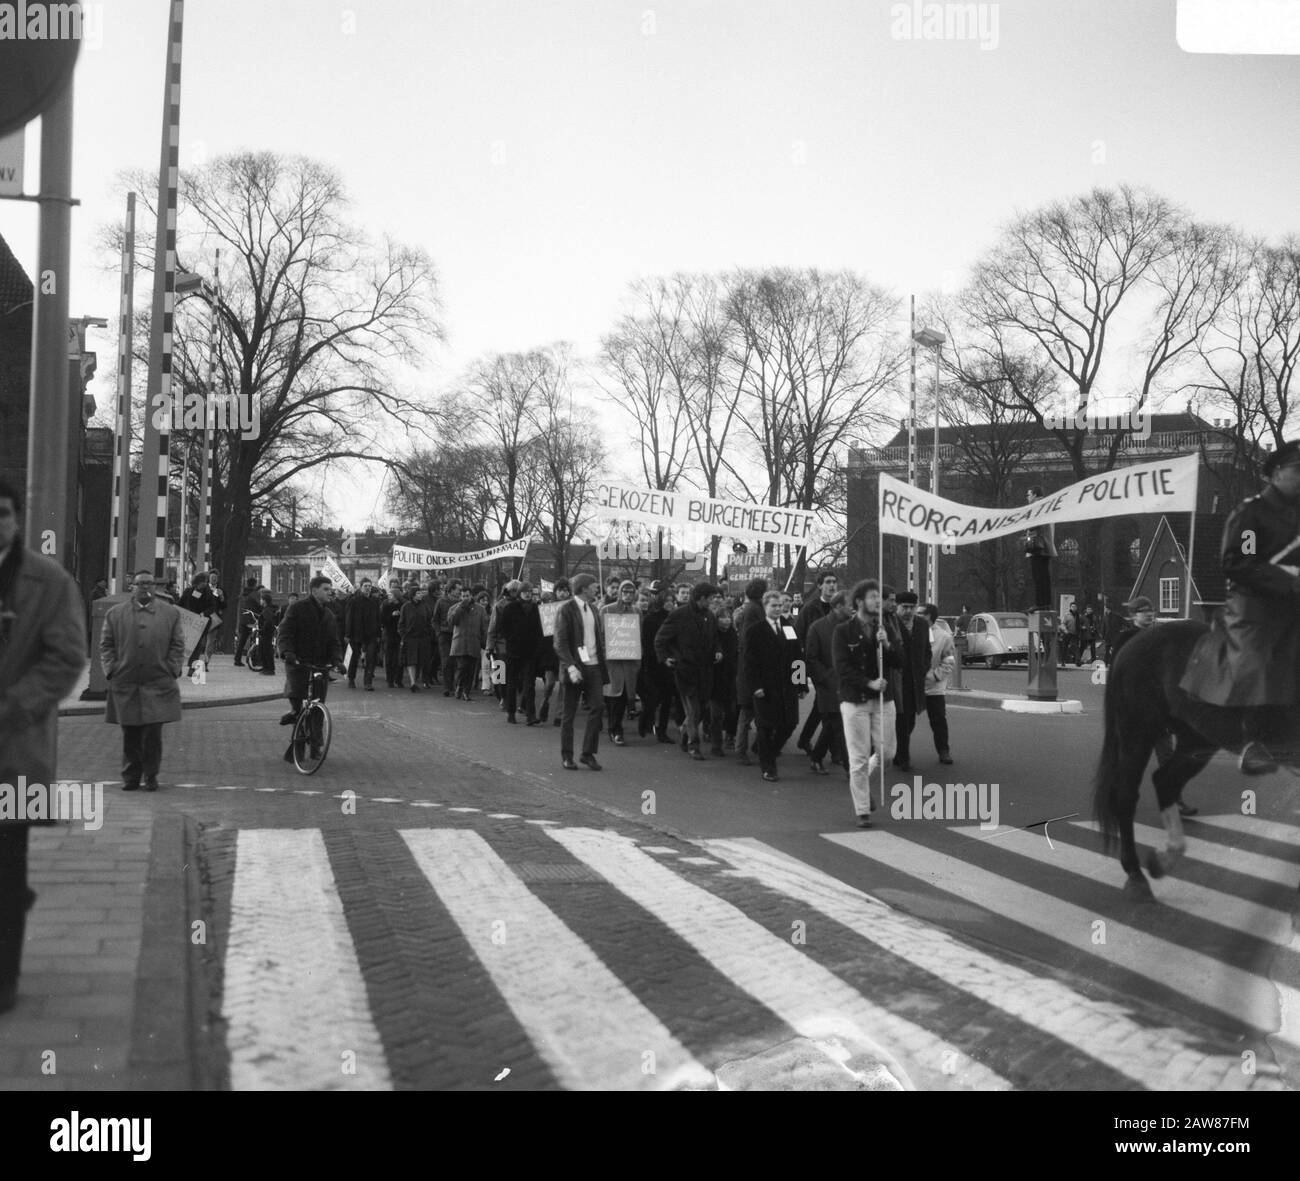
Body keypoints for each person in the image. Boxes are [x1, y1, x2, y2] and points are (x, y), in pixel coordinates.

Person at [0, 478, 88, 1015]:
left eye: (3, 513)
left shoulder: (47, 581)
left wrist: (13, 706)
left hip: (12, 750)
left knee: (7, 864)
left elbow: (66, 657)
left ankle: (3, 976)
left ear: (15, 520)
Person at [1181, 440, 1300, 774]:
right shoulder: (1252, 513)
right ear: (1277, 473)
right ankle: (1254, 742)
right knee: (1257, 656)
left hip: (1293, 600)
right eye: (1298, 471)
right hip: (1255, 602)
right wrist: (1288, 577)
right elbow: (1241, 562)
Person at [100, 569, 186, 792]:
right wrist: (112, 669)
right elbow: (106, 645)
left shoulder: (170, 614)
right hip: (126, 682)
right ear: (133, 587)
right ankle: (131, 776)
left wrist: (172, 668)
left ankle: (151, 775)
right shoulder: (116, 614)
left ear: (154, 587)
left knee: (152, 735)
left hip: (158, 683)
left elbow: (178, 645)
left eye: (149, 583)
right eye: (141, 583)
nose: (145, 587)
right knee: (130, 733)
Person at [834, 579, 904, 828]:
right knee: (859, 758)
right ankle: (862, 809)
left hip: (884, 700)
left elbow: (899, 661)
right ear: (859, 601)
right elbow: (842, 668)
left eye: (879, 597)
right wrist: (868, 683)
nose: (878, 601)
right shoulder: (843, 631)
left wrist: (887, 644)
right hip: (855, 701)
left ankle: (863, 786)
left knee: (887, 753)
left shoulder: (884, 628)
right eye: (873, 597)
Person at [740, 589, 806, 782]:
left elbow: (798, 657)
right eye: (773, 606)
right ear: (765, 606)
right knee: (766, 727)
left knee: (790, 724)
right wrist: (755, 686)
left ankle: (766, 750)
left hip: (787, 687)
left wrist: (801, 684)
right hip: (765, 687)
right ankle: (768, 766)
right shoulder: (755, 630)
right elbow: (749, 662)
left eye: (780, 605)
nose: (778, 609)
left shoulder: (789, 627)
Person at [277, 575, 344, 762]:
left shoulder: (329, 615)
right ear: (314, 591)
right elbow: (285, 632)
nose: (330, 591)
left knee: (317, 708)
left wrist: (337, 660)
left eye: (330, 588)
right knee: (298, 701)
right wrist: (287, 652)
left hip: (319, 665)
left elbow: (334, 642)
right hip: (299, 663)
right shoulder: (297, 608)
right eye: (325, 588)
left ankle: (316, 747)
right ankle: (297, 743)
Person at [654, 582, 724, 760]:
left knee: (701, 709)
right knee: (693, 710)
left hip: (706, 671)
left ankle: (685, 735)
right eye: (710, 598)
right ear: (701, 598)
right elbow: (660, 638)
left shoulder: (710, 616)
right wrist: (665, 657)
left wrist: (718, 650)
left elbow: (715, 638)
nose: (712, 601)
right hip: (686, 671)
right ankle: (694, 745)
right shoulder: (679, 614)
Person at [553, 573, 609, 770]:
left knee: (598, 707)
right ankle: (567, 755)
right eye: (594, 586)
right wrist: (570, 666)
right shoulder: (566, 609)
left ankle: (587, 753)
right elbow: (560, 642)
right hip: (575, 667)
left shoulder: (593, 609)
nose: (596, 589)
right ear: (584, 588)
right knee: (568, 713)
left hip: (593, 665)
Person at [804, 591, 851, 775]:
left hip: (848, 685)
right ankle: (851, 770)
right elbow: (811, 658)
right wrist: (825, 678)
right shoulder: (818, 627)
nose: (853, 608)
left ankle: (816, 758)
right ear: (838, 606)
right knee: (840, 728)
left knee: (831, 726)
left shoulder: (852, 627)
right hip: (828, 686)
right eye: (850, 605)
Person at [794, 571, 838, 759]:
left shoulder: (839, 607)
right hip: (816, 663)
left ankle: (805, 739)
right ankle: (835, 751)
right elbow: (798, 636)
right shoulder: (810, 608)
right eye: (828, 582)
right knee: (830, 708)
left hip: (834, 663)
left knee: (821, 707)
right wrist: (800, 671)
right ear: (820, 585)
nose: (832, 585)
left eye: (834, 582)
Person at [891, 590, 931, 774]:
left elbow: (927, 650)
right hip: (898, 680)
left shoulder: (922, 624)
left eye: (911, 607)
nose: (908, 611)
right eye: (904, 607)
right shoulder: (891, 624)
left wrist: (924, 668)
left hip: (916, 680)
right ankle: (903, 758)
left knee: (911, 720)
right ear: (897, 607)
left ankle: (898, 751)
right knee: (902, 719)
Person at [732, 578, 769, 767]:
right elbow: (751, 639)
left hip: (748, 667)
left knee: (748, 714)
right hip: (750, 669)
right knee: (747, 714)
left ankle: (746, 748)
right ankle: (741, 750)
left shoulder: (751, 609)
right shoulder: (755, 611)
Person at [600, 580, 641, 745]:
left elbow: (639, 635)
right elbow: (601, 635)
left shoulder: (637, 611)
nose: (628, 595)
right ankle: (614, 729)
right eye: (625, 592)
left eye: (631, 592)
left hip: (630, 659)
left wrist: (638, 656)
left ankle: (616, 728)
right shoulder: (606, 610)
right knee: (613, 695)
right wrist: (606, 653)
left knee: (625, 696)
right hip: (612, 660)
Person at [497, 580, 543, 724]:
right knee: (512, 683)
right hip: (514, 651)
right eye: (525, 592)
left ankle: (531, 714)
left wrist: (538, 647)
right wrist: (512, 639)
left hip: (530, 652)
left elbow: (540, 630)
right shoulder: (510, 608)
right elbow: (502, 627)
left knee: (529, 684)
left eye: (530, 592)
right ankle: (511, 712)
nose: (527, 594)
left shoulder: (537, 609)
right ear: (519, 593)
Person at [918, 604, 955, 765]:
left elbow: (949, 661)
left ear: (930, 617)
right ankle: (901, 754)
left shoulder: (943, 637)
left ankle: (943, 751)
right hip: (913, 686)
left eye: (921, 614)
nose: (917, 616)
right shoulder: (909, 632)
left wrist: (935, 676)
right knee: (905, 722)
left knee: (938, 720)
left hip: (934, 687)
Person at [638, 581, 675, 742]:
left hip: (669, 663)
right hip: (652, 663)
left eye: (672, 601)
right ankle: (645, 719)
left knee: (667, 698)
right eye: (667, 601)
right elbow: (647, 644)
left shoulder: (674, 618)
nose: (670, 604)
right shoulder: (650, 619)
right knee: (653, 697)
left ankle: (662, 731)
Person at [447, 583, 489, 700]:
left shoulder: (480, 609)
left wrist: (484, 642)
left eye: (467, 596)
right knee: (462, 667)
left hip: (474, 643)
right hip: (460, 643)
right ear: (460, 597)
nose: (465, 598)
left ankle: (466, 691)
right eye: (463, 596)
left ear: (471, 596)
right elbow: (452, 622)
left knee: (471, 669)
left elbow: (484, 627)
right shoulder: (454, 608)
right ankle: (459, 686)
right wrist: (461, 608)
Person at [709, 604, 739, 756]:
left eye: (728, 617)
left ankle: (730, 736)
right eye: (722, 617)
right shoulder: (712, 635)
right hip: (715, 679)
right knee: (716, 715)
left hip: (730, 678)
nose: (726, 620)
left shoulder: (733, 634)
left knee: (732, 712)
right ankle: (716, 745)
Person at [344, 578, 382, 691]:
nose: (368, 588)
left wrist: (378, 634)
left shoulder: (375, 601)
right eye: (365, 586)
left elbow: (378, 618)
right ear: (361, 587)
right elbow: (349, 618)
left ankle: (368, 682)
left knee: (370, 658)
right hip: (356, 633)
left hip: (371, 634)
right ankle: (351, 678)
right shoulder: (354, 601)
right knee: (354, 658)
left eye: (369, 586)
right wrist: (347, 634)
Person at [1024, 486, 1057, 610]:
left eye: (1028, 495)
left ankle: (1039, 603)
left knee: (1038, 576)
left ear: (1034, 495)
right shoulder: (1047, 504)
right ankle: (1046, 602)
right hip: (1047, 546)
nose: (1027, 497)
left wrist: (1026, 524)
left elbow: (1034, 525)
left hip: (1038, 547)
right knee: (1045, 576)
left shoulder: (1036, 506)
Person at [178, 571, 218, 672]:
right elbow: (180, 604)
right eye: (203, 581)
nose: (205, 583)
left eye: (205, 581)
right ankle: (178, 667)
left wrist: (204, 613)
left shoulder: (208, 592)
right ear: (197, 582)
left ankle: (192, 667)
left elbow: (212, 606)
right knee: (183, 645)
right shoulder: (188, 591)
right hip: (188, 622)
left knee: (197, 645)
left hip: (200, 623)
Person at [399, 586, 433, 693]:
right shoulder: (406, 607)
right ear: (413, 594)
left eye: (421, 593)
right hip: (411, 638)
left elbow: (429, 621)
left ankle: (425, 680)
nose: (421, 595)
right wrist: (403, 635)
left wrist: (429, 633)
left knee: (423, 660)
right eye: (418, 593)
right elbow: (401, 623)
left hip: (423, 637)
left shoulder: (425, 606)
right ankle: (413, 682)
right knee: (411, 661)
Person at [381, 583, 405, 688]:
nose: (388, 597)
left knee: (399, 659)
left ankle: (399, 680)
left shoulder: (403, 606)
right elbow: (382, 620)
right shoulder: (385, 605)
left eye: (391, 595)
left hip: (399, 635)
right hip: (389, 634)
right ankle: (390, 680)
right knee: (390, 658)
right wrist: (391, 616)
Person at [233, 576, 260, 665]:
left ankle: (237, 659)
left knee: (242, 640)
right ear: (255, 584)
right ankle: (254, 659)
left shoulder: (243, 594)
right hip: (251, 619)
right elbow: (257, 606)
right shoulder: (254, 594)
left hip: (243, 619)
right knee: (255, 639)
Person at [205, 567, 227, 660]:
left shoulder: (221, 590)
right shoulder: (204, 589)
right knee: (198, 642)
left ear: (217, 579)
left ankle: (206, 662)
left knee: (210, 641)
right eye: (212, 577)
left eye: (215, 578)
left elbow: (225, 605)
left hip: (214, 618)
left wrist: (221, 597)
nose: (213, 579)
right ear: (209, 578)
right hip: (203, 617)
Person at [256, 589, 278, 675]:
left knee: (266, 650)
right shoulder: (267, 609)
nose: (260, 601)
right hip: (267, 633)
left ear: (264, 601)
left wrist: (262, 630)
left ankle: (269, 668)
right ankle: (266, 667)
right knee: (264, 650)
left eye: (261, 599)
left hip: (266, 633)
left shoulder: (267, 610)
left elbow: (268, 621)